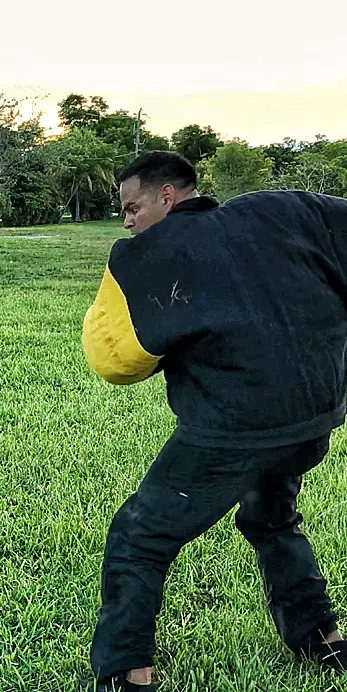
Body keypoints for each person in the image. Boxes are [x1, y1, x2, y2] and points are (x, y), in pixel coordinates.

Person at [79, 150, 347, 691]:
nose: (127, 222)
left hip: (233, 430)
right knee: (271, 519)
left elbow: (114, 360)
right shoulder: (285, 210)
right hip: (313, 420)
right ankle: (322, 639)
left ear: (167, 196)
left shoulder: (152, 253)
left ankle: (126, 674)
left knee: (140, 537)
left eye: (132, 208)